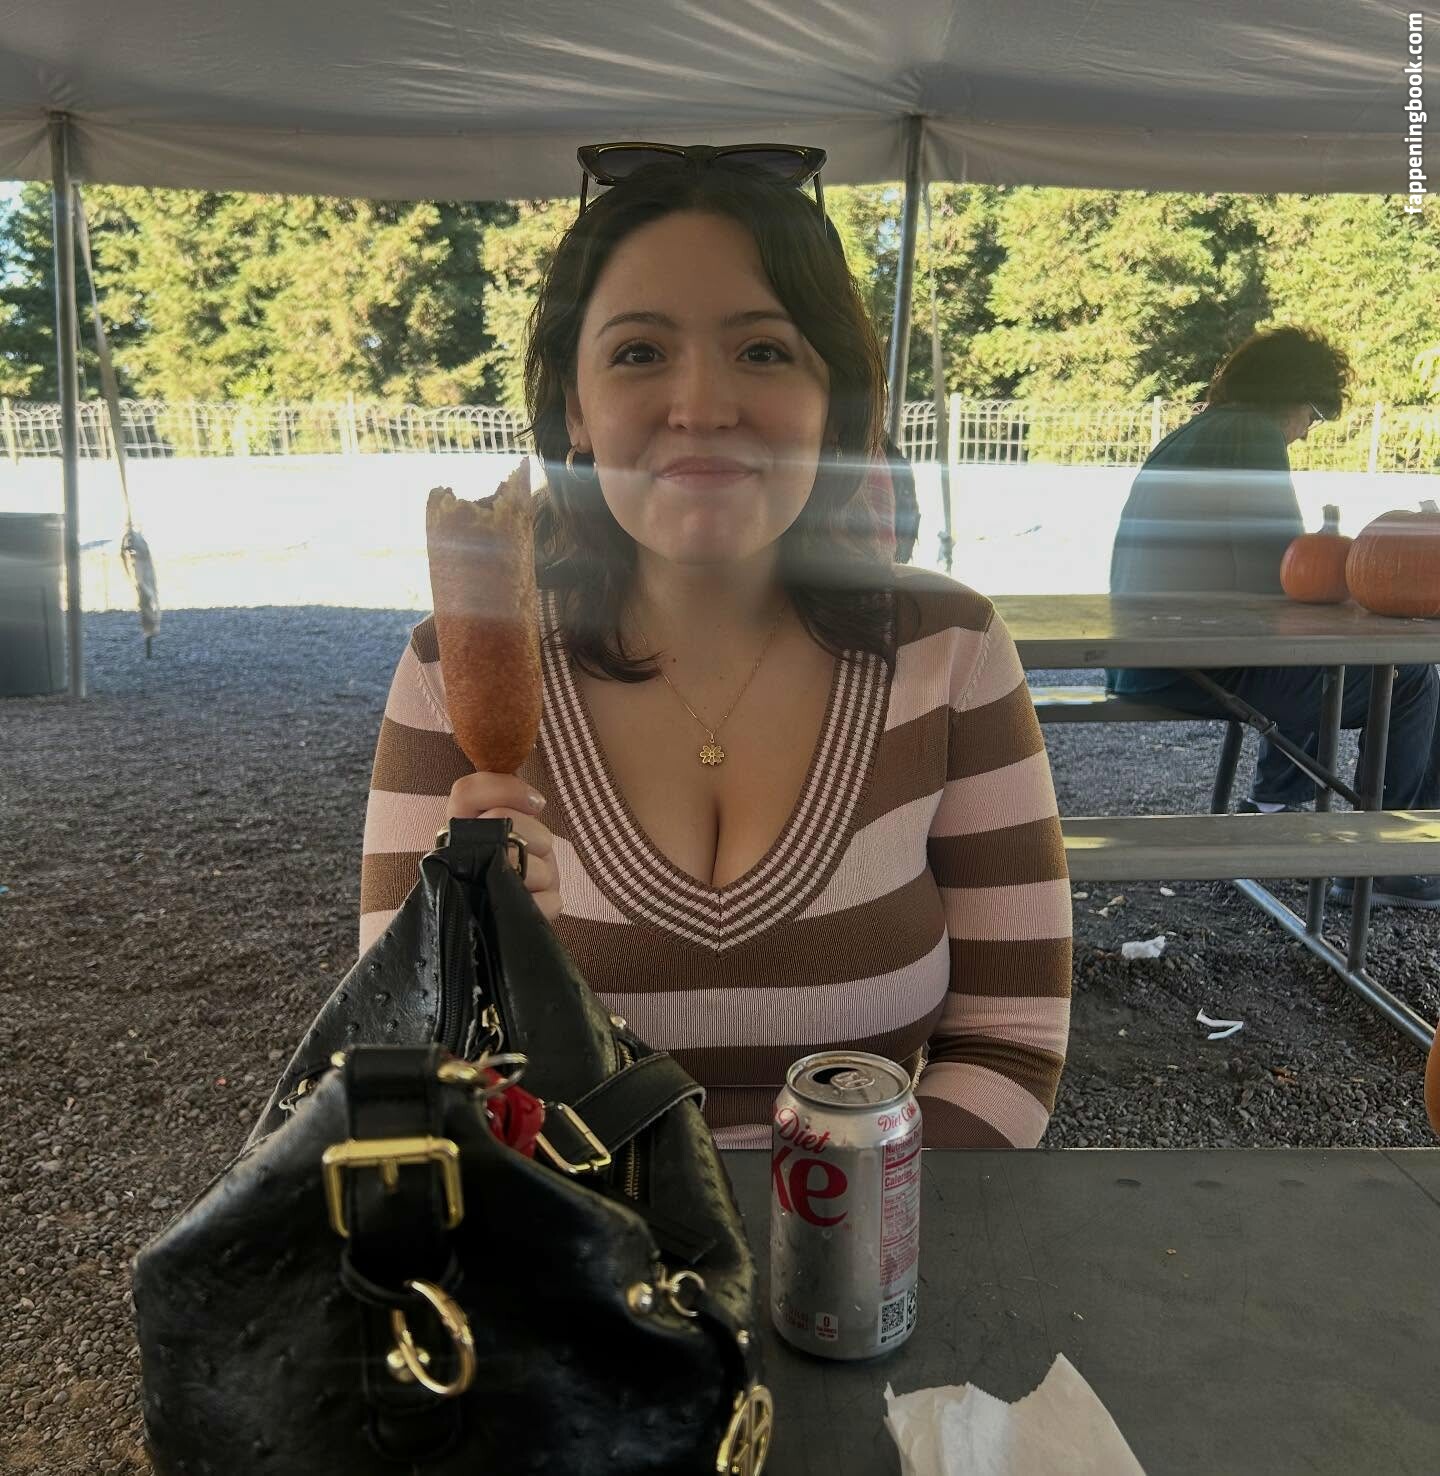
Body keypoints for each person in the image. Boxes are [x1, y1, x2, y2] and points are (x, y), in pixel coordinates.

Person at [360, 143, 1072, 1147]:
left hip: (867, 1232)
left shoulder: (949, 652)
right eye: (639, 353)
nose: (702, 407)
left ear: (833, 401)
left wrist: (846, 1225)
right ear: (575, 407)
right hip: (575, 1233)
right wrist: (486, 971)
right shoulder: (453, 674)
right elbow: (405, 1069)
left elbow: (1009, 1044)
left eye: (764, 351)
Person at [1107, 326, 1440, 909]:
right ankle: (1389, 858)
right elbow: (1283, 575)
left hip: (1148, 657)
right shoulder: (1251, 436)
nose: (1308, 430)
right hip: (1187, 667)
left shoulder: (1199, 431)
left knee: (1314, 655)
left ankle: (1273, 805)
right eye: (1315, 412)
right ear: (1291, 392)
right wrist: (1366, 584)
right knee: (1412, 679)